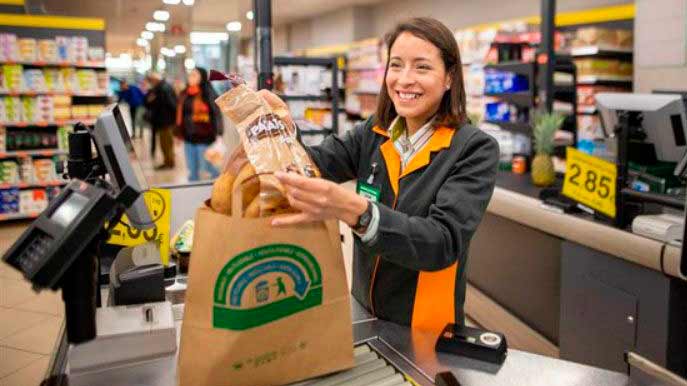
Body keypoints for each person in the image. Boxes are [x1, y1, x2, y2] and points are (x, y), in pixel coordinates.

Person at [262, 17, 499, 333]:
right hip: (364, 311)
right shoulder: (373, 134)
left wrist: (354, 210)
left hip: (426, 326)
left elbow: (441, 242)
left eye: (422, 67)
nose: (404, 79)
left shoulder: (473, 149)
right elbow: (312, 164)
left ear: (449, 77)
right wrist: (282, 128)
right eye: (396, 65)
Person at [176, 67, 222, 181]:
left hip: (204, 137)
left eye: (194, 75)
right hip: (188, 136)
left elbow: (216, 114)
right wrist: (178, 133)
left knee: (207, 166)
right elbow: (180, 114)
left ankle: (219, 183)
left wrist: (219, 133)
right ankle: (193, 191)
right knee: (192, 169)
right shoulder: (184, 93)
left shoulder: (208, 93)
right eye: (190, 75)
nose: (191, 77)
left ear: (202, 77)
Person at [144, 72, 177, 169]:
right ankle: (168, 162)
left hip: (165, 121)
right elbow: (148, 101)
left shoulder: (163, 89)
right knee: (164, 143)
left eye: (151, 81)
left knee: (166, 143)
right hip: (162, 120)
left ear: (155, 80)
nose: (151, 83)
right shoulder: (160, 88)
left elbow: (172, 105)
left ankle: (169, 163)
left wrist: (173, 119)